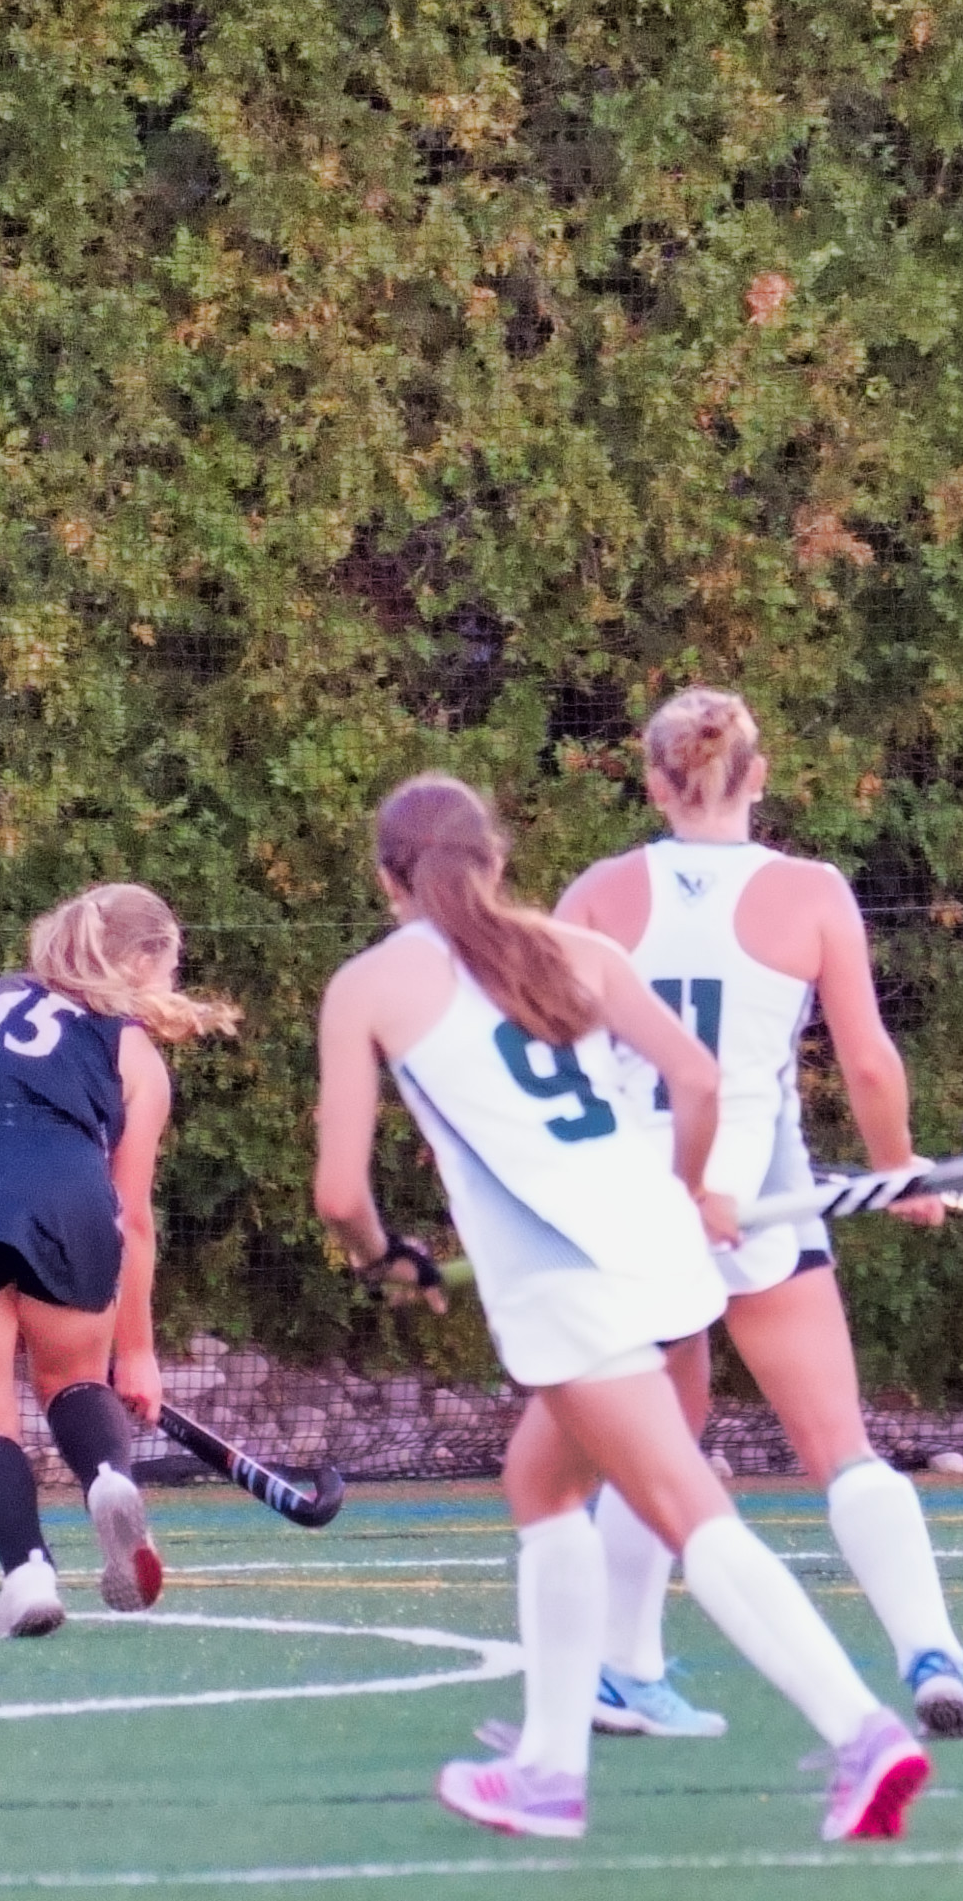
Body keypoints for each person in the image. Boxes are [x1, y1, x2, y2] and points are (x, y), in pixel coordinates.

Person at [313, 773, 929, 1842]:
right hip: (662, 1249)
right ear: (497, 860)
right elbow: (695, 1081)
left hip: (567, 1282)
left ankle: (860, 1728)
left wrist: (382, 1257)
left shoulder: (368, 983)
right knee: (539, 1485)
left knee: (687, 1509)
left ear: (386, 876)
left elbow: (338, 1194)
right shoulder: (577, 952)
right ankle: (553, 1761)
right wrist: (691, 1190)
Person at [546, 686, 963, 1739]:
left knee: (663, 1441)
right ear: (759, 774)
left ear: (654, 781)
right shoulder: (812, 892)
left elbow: (543, 1057)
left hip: (635, 1203)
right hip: (759, 1192)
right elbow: (870, 1062)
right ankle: (931, 1649)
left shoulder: (598, 892)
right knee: (841, 1445)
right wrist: (896, 1169)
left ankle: (620, 1666)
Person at [0, 885, 237, 1638]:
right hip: (66, 1196)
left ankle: (26, 1574)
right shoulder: (133, 1052)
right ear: (141, 960)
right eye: (169, 966)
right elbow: (134, 1217)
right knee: (72, 1379)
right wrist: (138, 1354)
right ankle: (108, 1478)